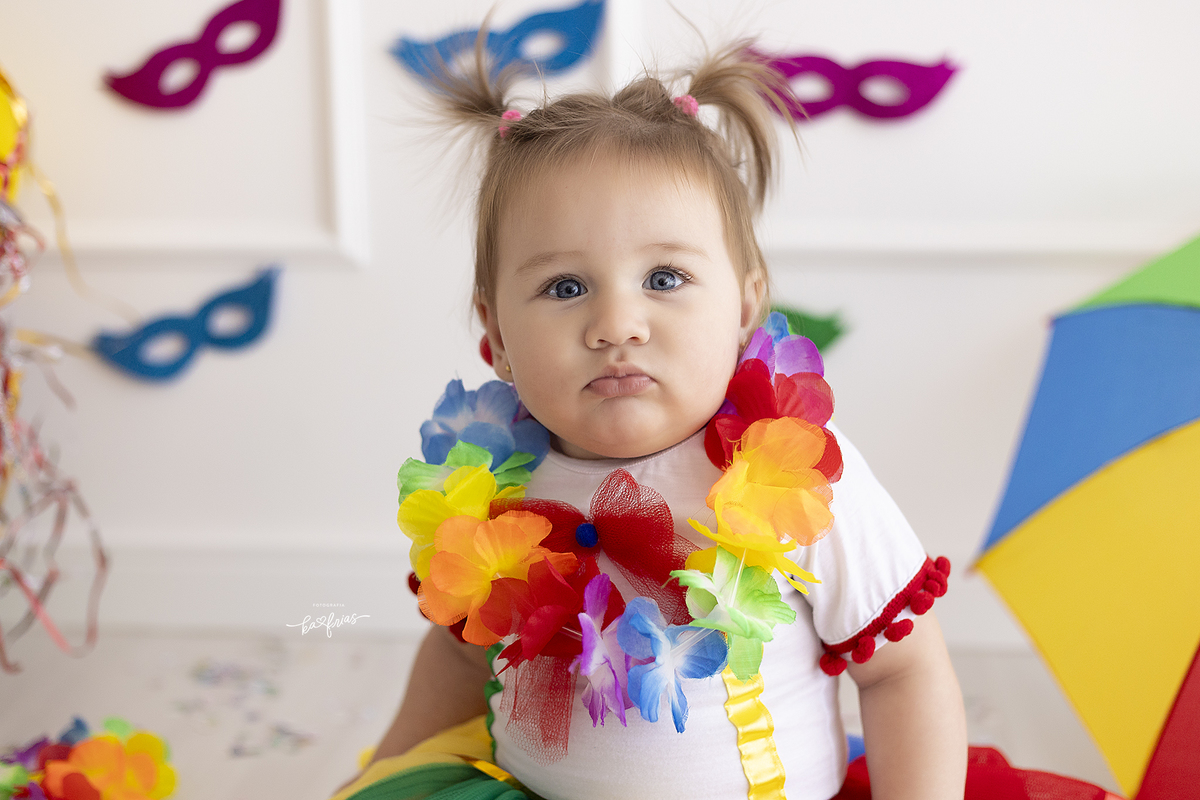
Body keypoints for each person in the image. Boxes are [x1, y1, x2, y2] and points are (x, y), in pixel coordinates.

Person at [333, 40, 967, 800]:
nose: (617, 324)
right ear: (495, 334)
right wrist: (386, 770)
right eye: (565, 286)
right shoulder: (495, 484)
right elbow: (462, 657)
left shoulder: (795, 474)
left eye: (664, 278)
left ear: (744, 304)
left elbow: (902, 671)